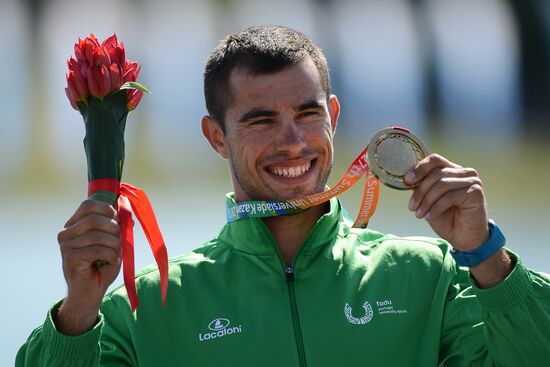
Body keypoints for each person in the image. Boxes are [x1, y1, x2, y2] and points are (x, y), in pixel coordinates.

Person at [16, 25, 550, 366]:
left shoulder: (430, 276)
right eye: (261, 120)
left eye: (308, 114)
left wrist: (487, 256)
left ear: (334, 118)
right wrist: (79, 309)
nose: (292, 142)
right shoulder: (146, 307)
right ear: (215, 136)